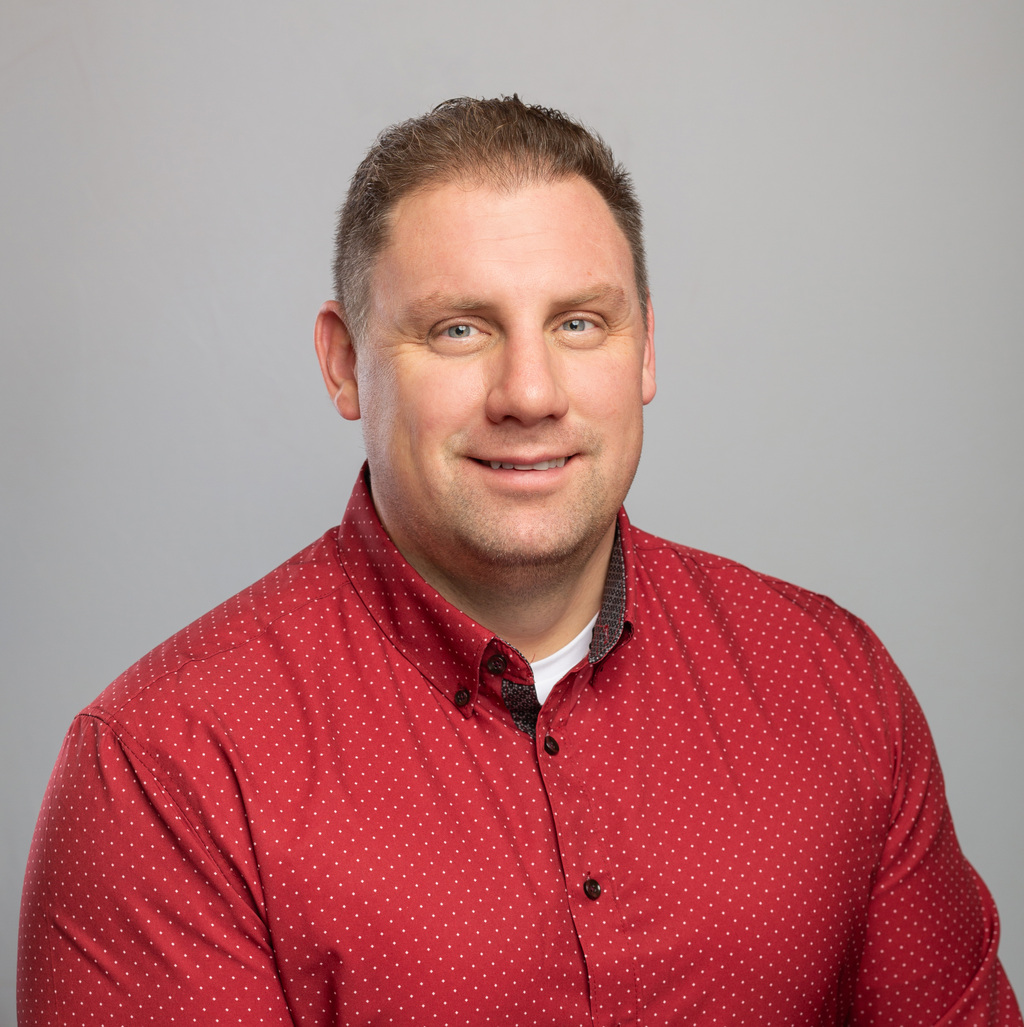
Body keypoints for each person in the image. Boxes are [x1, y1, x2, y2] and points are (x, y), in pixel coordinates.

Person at [17, 95, 1021, 1026]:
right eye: (460, 329)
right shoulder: (162, 771)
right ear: (342, 364)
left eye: (578, 323)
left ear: (643, 354)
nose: (530, 392)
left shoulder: (833, 685)